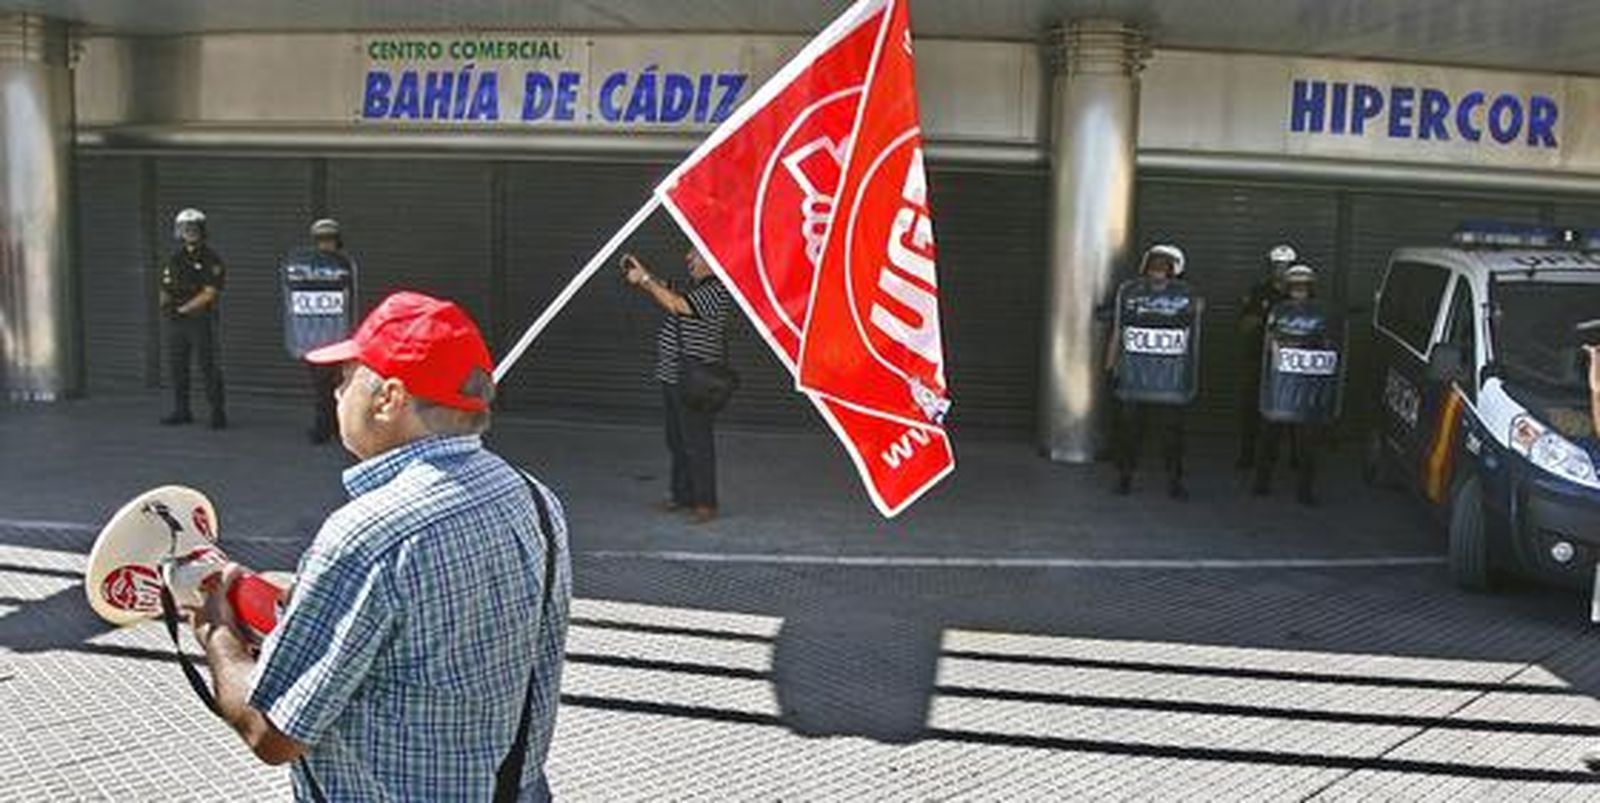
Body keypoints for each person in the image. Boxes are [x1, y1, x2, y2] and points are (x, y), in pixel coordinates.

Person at [185, 291, 573, 801]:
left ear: (389, 399)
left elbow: (272, 732)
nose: (336, 391)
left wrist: (216, 632)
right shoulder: (536, 499)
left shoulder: (368, 535)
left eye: (346, 376)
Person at [621, 247, 734, 525]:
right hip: (673, 377)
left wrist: (645, 281)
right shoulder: (695, 286)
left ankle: (706, 502)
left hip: (695, 382)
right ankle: (682, 495)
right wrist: (645, 274)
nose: (688, 259)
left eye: (696, 255)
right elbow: (666, 289)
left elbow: (676, 304)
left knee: (697, 442)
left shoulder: (716, 291)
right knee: (677, 440)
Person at [1107, 244, 1197, 500]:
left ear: (1172, 272)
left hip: (1171, 377)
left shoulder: (1185, 298)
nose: (1157, 274)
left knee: (1173, 432)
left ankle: (1174, 477)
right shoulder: (1131, 294)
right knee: (1131, 429)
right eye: (1153, 269)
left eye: (1162, 269)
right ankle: (1125, 475)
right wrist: (1111, 365)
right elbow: (1119, 330)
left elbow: (1192, 339)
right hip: (1136, 376)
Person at [1252, 264, 1334, 506]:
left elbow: (1330, 345)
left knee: (1307, 443)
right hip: (1280, 386)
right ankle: (1261, 482)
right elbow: (1267, 343)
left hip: (1308, 387)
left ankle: (1305, 490)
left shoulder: (1321, 314)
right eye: (1295, 288)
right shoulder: (1278, 312)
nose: (1299, 292)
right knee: (1269, 437)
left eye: (1304, 288)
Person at [282, 218, 358, 444]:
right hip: (312, 334)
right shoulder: (307, 267)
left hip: (338, 333)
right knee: (321, 385)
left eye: (329, 240)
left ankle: (331, 427)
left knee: (337, 384)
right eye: (322, 240)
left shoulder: (343, 266)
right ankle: (329, 426)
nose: (326, 244)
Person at [160, 207, 227, 429]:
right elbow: (165, 287)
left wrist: (185, 308)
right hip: (177, 321)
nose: (189, 233)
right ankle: (182, 410)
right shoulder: (175, 259)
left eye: (193, 228)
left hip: (201, 320)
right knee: (177, 366)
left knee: (208, 366)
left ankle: (217, 413)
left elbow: (210, 292)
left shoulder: (211, 259)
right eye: (185, 229)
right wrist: (167, 307)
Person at [1236, 243, 1298, 469]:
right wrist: (1265, 320)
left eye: (1286, 265)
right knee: (1250, 407)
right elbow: (1245, 324)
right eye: (1277, 265)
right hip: (1259, 358)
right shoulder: (1258, 292)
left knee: (1294, 408)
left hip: (1291, 362)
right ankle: (1247, 455)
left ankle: (1296, 457)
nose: (1281, 270)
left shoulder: (1302, 293)